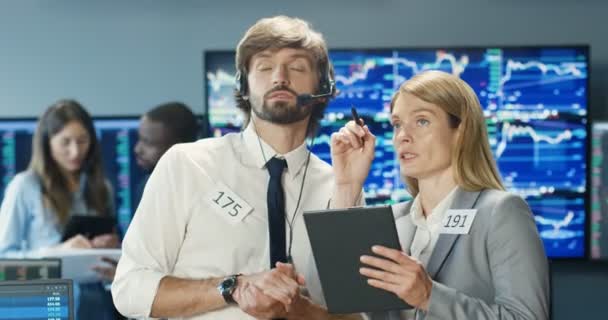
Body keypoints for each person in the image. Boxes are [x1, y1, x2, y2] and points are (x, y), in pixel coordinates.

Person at [112, 16, 362, 320]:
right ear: (243, 86)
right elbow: (129, 289)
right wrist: (233, 287)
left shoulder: (341, 185)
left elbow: (355, 316)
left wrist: (299, 309)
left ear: (322, 87)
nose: (279, 77)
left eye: (297, 67)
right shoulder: (187, 165)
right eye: (265, 67)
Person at [330, 70, 550, 319]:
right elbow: (340, 305)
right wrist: (347, 185)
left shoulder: (502, 212)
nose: (403, 136)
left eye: (422, 121)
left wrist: (429, 296)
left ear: (462, 132)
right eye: (397, 124)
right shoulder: (393, 221)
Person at [0, 99, 120, 320]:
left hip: (97, 305)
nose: (75, 151)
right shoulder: (25, 186)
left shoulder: (102, 188)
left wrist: (105, 249)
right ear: (48, 143)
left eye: (83, 141)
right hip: (46, 305)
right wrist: (55, 252)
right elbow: (3, 260)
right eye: (65, 142)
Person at [132, 101, 200, 208]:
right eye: (140, 139)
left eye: (148, 142)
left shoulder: (152, 188)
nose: (137, 149)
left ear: (178, 147)